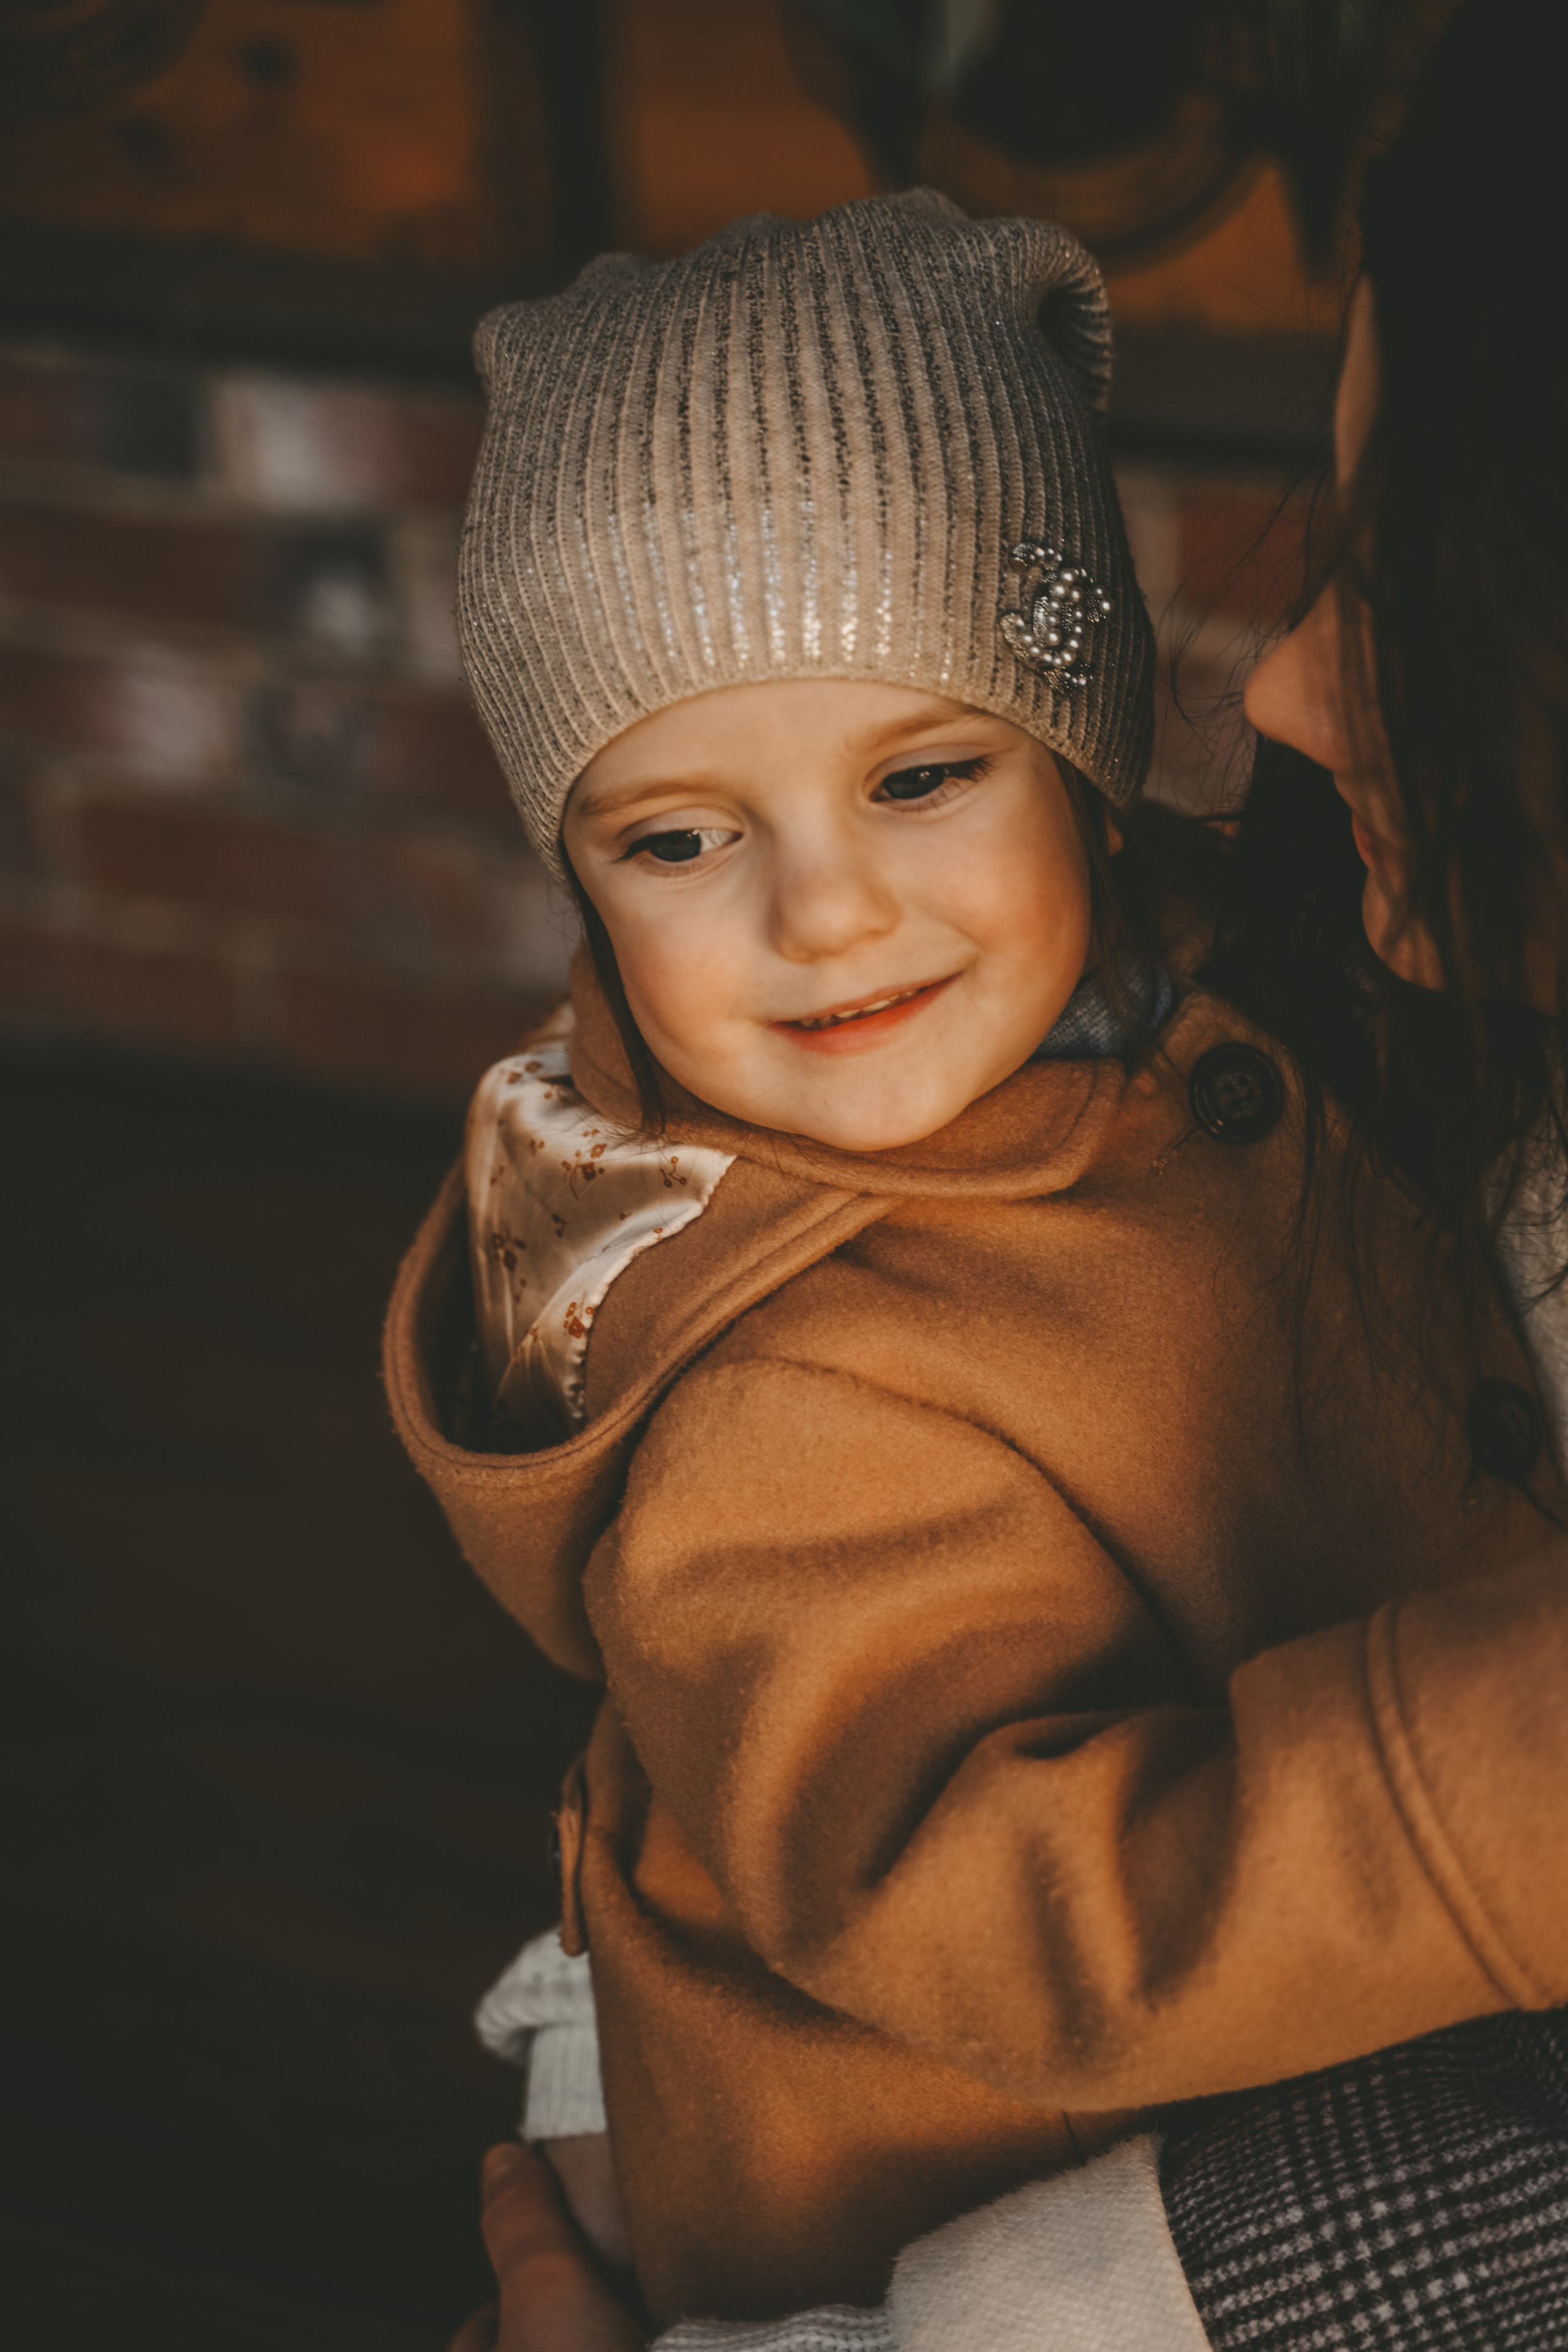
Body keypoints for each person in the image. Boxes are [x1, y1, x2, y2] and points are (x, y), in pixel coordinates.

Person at [437, 1, 1568, 2345]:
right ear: (574, 873)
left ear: (1079, 738)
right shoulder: (778, 1401)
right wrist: (1499, 1775)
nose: (824, 915)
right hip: (951, 2226)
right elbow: (1004, 1907)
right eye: (676, 837)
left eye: (928, 776)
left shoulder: (1238, 979)